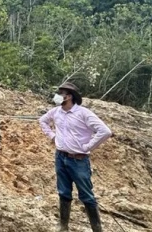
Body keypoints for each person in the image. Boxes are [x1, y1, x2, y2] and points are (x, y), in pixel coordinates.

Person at [39, 82, 112, 232]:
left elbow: (105, 131)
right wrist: (53, 136)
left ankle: (97, 229)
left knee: (86, 195)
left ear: (69, 96)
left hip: (78, 160)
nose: (58, 96)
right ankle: (63, 226)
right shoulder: (56, 112)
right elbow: (42, 121)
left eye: (61, 93)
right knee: (64, 192)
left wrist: (87, 147)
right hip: (60, 157)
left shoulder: (83, 113)